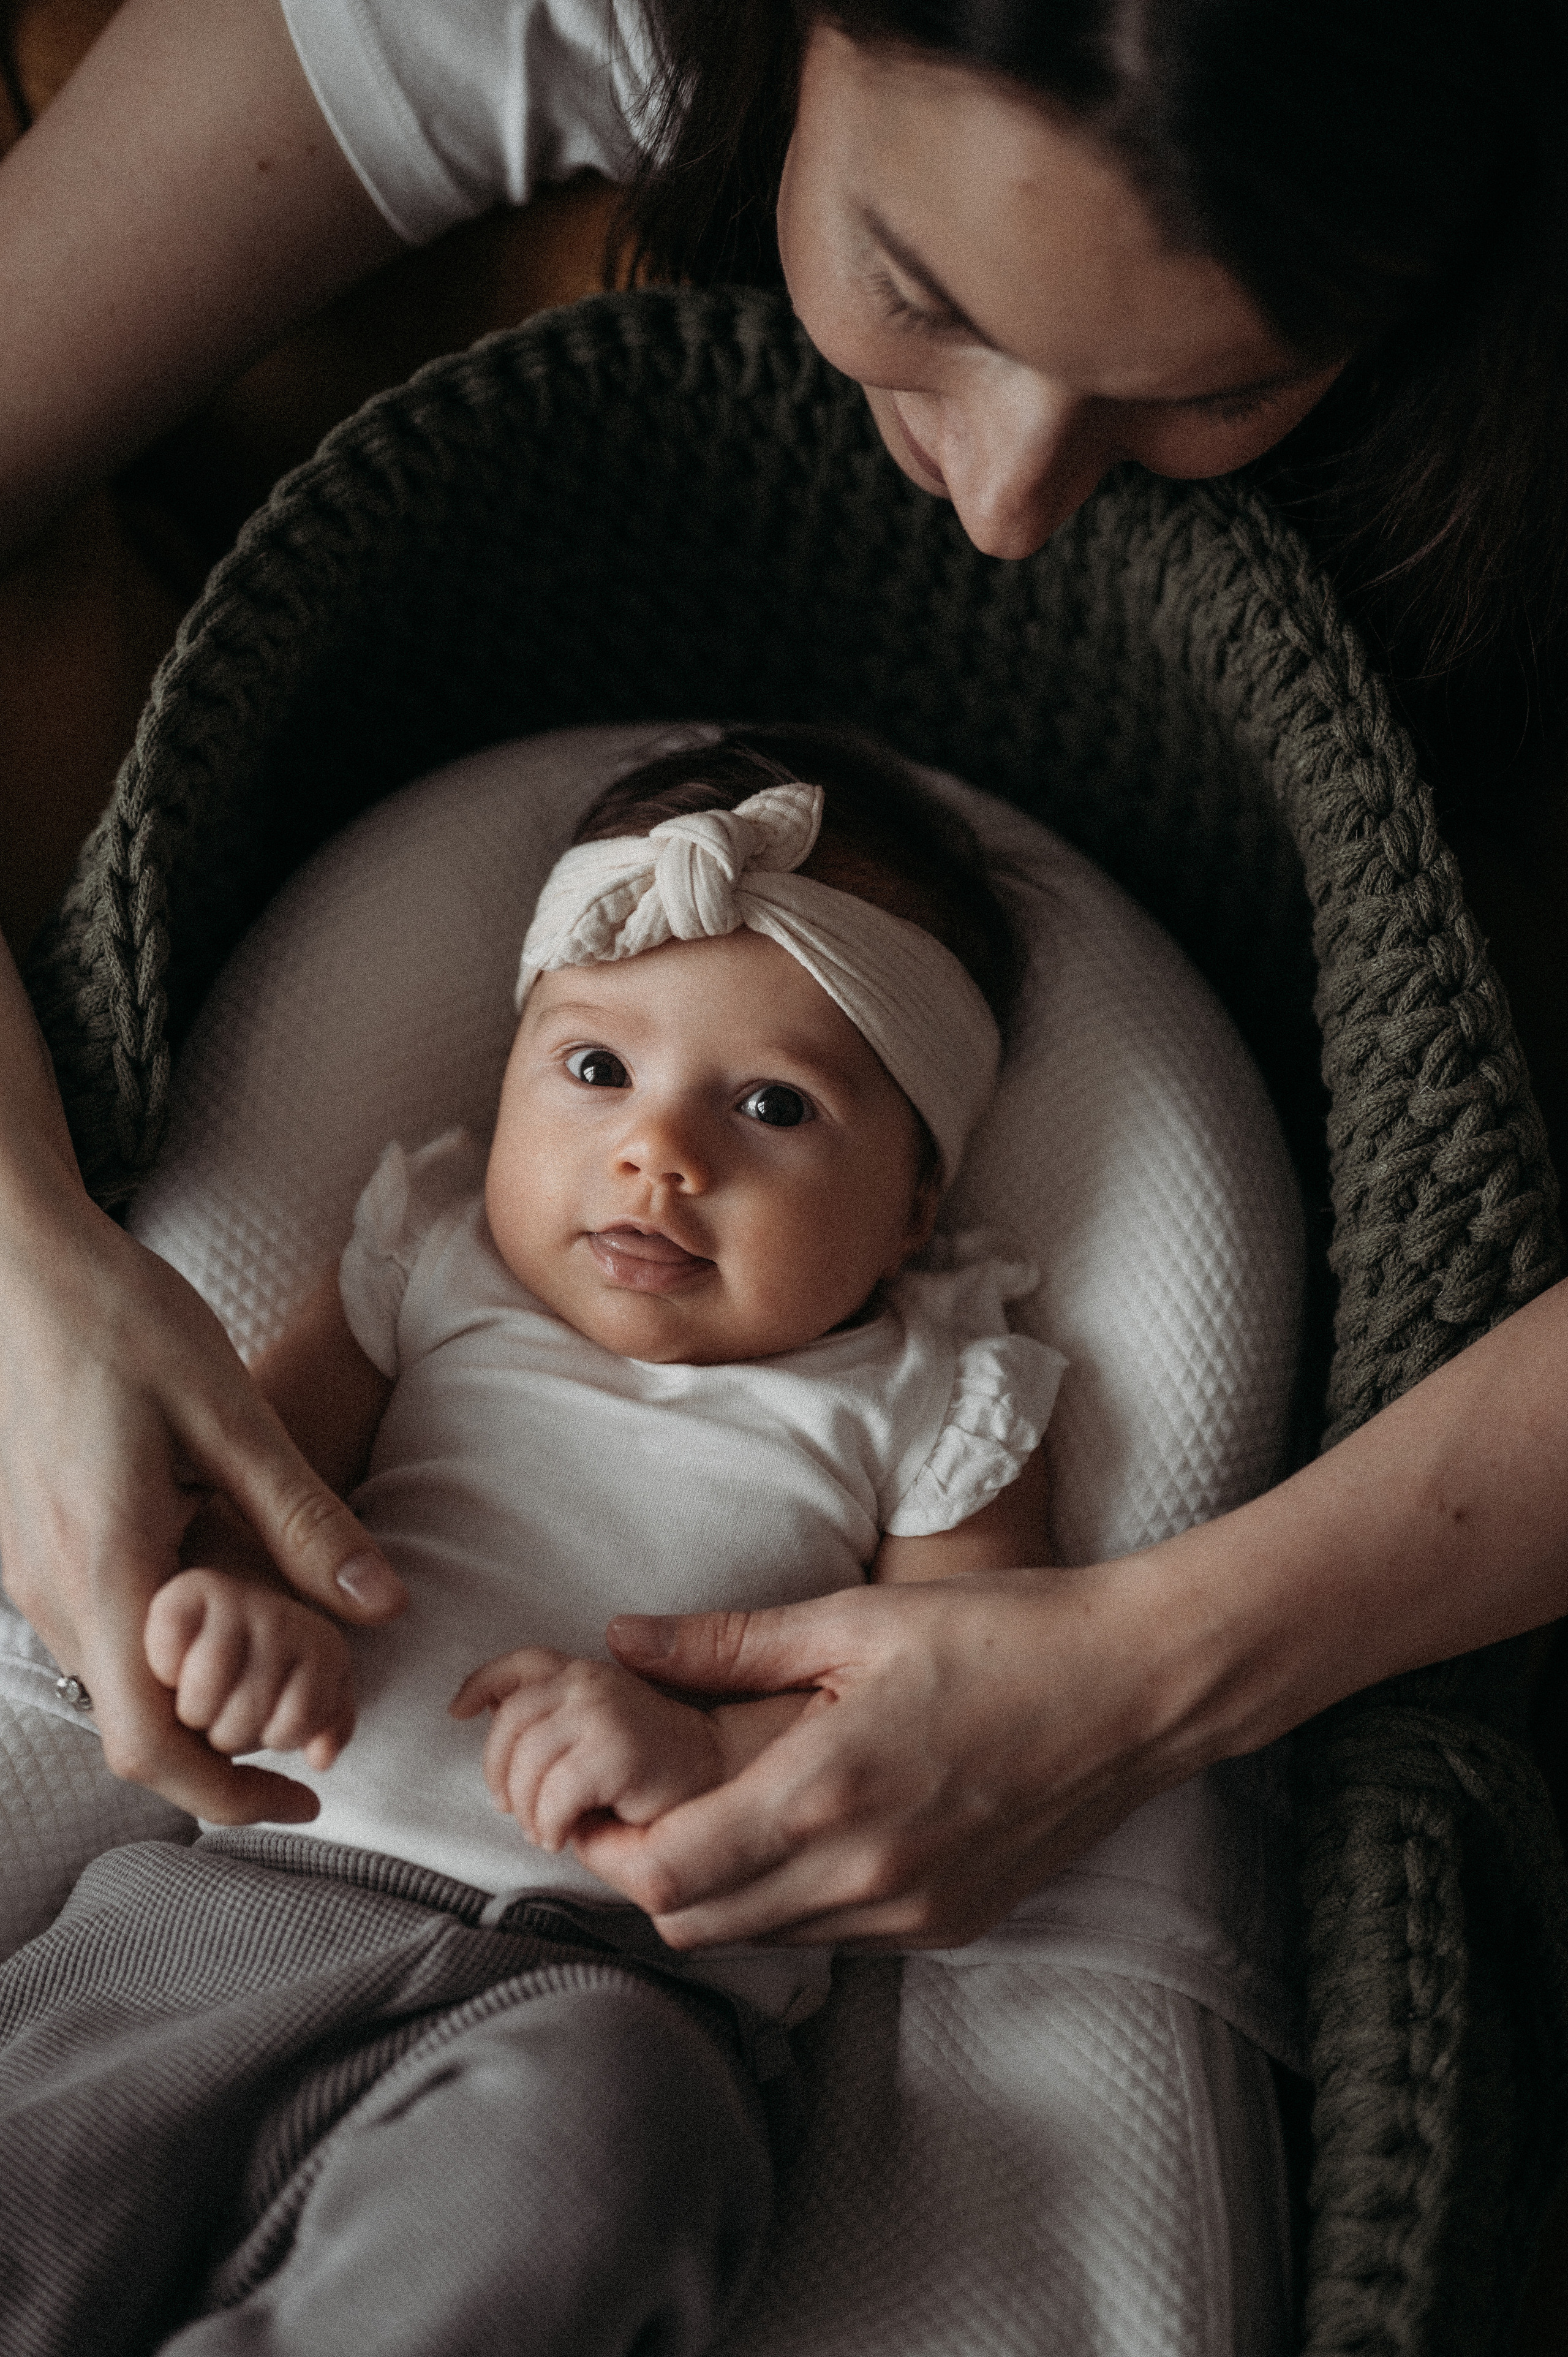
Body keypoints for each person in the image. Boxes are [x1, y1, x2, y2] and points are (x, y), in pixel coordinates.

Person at [1, 0, 1565, 1954]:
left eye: (1217, 387)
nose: (1004, 506)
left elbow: (944, 1641)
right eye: (924, 287)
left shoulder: (927, 1384)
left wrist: (1166, 1667)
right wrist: (27, 1259)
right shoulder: (426, 1258)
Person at [0, 736, 1079, 2355]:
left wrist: (712, 1751)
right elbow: (231, 1493)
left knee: (583, 2196)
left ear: (917, 1201)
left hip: (614, 2002)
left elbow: (979, 1718)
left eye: (772, 1107)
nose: (661, 1155)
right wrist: (231, 1613)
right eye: (594, 1072)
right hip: (241, 1903)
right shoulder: (427, 1260)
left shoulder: (940, 1393)